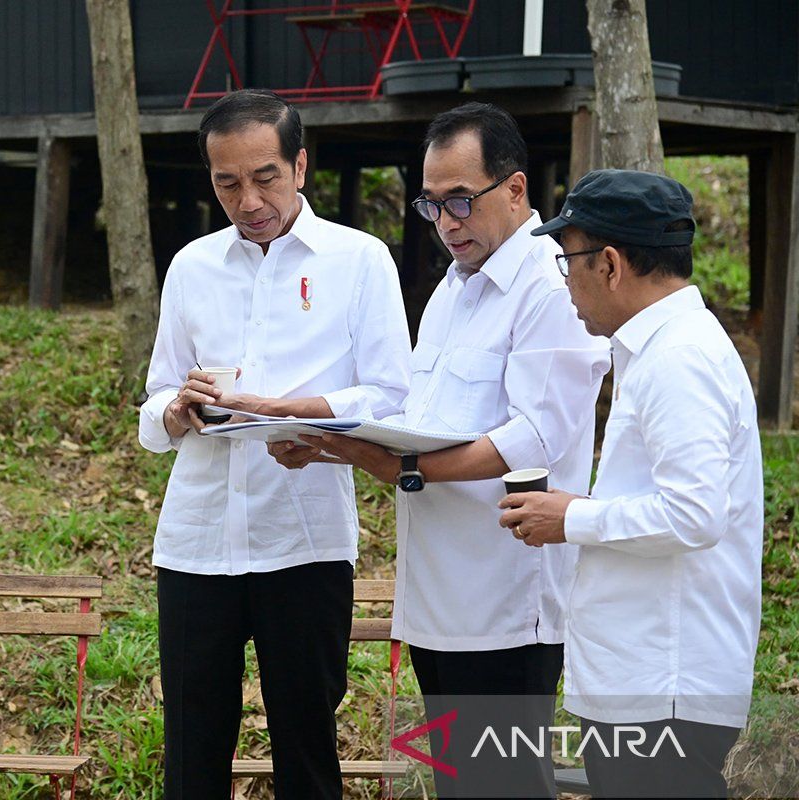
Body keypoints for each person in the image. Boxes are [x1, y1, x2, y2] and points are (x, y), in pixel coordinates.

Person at [273, 102, 610, 798]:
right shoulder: (454, 290)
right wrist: (334, 444)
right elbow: (416, 418)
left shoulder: (548, 286)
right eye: (432, 205)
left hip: (508, 603)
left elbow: (537, 435)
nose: (447, 221)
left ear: (515, 189)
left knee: (505, 788)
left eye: (461, 200)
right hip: (436, 598)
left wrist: (405, 468)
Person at [138, 88, 411, 799]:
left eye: (264, 176)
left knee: (307, 742)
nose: (248, 198)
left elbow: (392, 396)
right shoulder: (193, 266)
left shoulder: (360, 260)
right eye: (227, 182)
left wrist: (294, 411)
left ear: (301, 167)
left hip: (306, 540)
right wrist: (177, 411)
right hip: (197, 542)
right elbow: (157, 396)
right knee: (193, 747)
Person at [499, 169, 763, 799]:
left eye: (569, 263)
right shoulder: (659, 347)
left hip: (663, 680)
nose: (568, 285)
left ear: (610, 263)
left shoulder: (678, 358)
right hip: (643, 677)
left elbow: (695, 515)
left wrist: (572, 518)